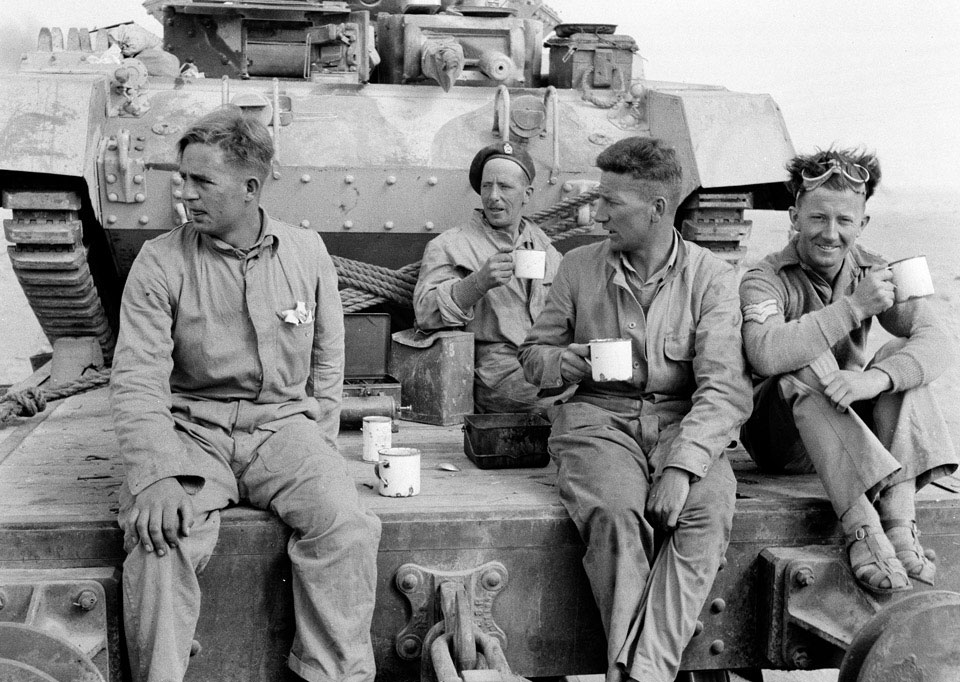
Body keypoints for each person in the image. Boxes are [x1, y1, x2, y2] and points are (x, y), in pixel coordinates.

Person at [110, 106, 381, 682]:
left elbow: (329, 363)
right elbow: (137, 379)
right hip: (192, 432)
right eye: (182, 178)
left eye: (202, 181)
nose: (185, 194)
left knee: (347, 521)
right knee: (161, 536)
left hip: (283, 429)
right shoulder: (159, 263)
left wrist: (320, 450)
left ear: (251, 187)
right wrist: (155, 475)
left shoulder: (307, 254)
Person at [518, 137, 751, 682]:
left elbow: (725, 389)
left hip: (682, 422)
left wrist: (681, 467)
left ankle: (640, 674)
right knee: (619, 514)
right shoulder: (578, 267)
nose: (597, 214)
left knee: (706, 512)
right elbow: (533, 356)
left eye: (611, 203)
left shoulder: (711, 277)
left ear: (658, 209)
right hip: (597, 421)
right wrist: (565, 363)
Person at [739, 148, 958, 593]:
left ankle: (898, 520)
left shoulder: (874, 270)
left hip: (846, 435)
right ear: (794, 216)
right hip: (782, 440)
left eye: (845, 221)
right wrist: (853, 308)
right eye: (818, 218)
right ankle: (862, 528)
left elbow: (938, 341)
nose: (831, 234)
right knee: (804, 361)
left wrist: (874, 379)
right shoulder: (764, 277)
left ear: (863, 225)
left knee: (902, 360)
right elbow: (766, 353)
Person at [413, 141, 566, 414]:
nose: (493, 196)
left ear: (526, 193)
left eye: (504, 187)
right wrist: (478, 283)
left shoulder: (546, 249)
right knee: (569, 404)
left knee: (599, 393)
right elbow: (425, 313)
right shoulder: (449, 245)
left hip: (544, 362)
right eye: (486, 186)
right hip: (495, 373)